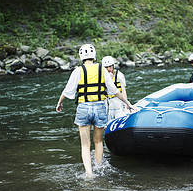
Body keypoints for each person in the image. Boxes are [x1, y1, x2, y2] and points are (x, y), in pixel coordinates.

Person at [56, 44, 135, 178]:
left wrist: (59, 103)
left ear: (81, 56)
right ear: (94, 55)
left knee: (85, 146)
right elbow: (114, 91)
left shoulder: (78, 71)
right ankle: (99, 168)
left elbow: (67, 91)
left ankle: (89, 174)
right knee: (98, 141)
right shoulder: (102, 69)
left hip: (84, 108)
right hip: (100, 108)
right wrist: (127, 103)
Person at [102, 56, 127, 121]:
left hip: (118, 102)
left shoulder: (120, 75)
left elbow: (123, 91)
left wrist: (126, 106)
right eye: (106, 67)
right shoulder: (103, 77)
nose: (108, 69)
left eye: (110, 66)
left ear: (113, 66)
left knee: (119, 121)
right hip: (109, 104)